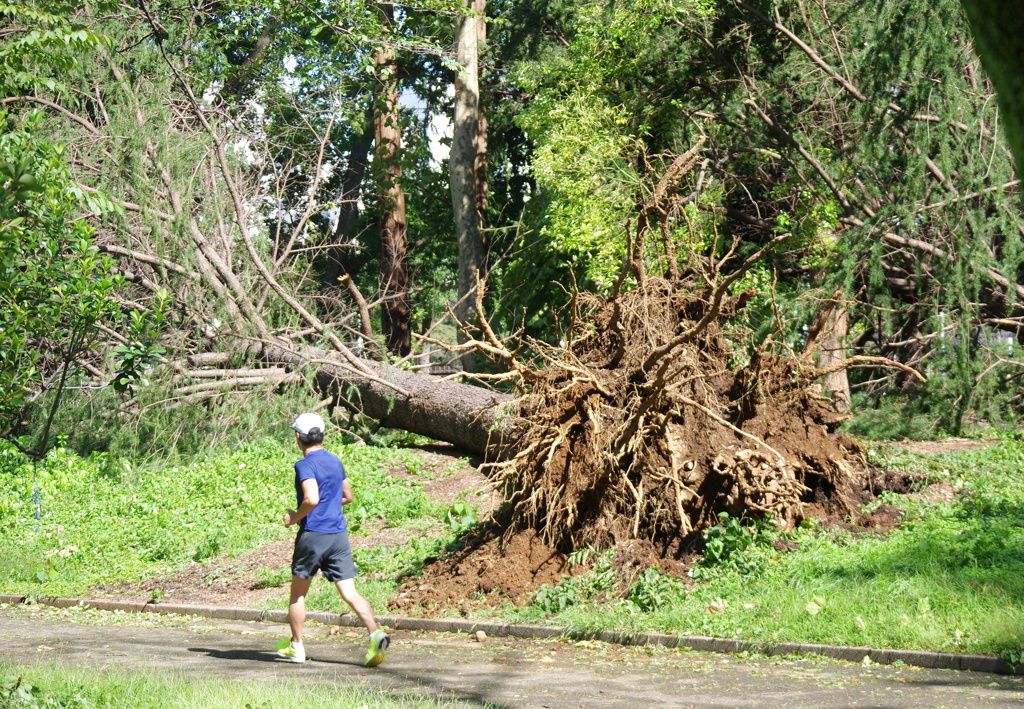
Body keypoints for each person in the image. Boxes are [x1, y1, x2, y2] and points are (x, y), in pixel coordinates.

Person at [275, 412, 390, 666]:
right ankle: (375, 632)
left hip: (313, 535)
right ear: (321, 435)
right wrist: (327, 505)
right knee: (349, 592)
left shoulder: (304, 464)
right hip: (338, 535)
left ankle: (297, 647)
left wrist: (295, 517)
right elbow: (347, 496)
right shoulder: (335, 460)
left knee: (297, 595)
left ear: (298, 437)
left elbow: (311, 498)